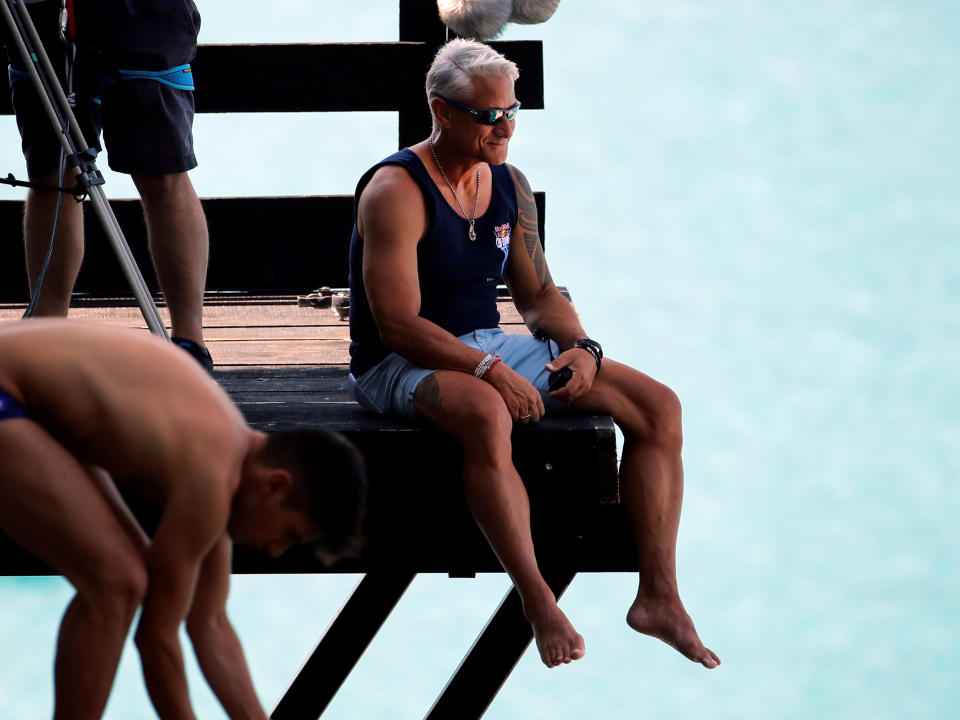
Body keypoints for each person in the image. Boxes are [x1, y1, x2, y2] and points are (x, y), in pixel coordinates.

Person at [348, 38, 719, 670]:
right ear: (441, 111)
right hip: (398, 364)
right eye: (488, 116)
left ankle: (659, 596)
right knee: (486, 415)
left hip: (486, 346)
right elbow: (398, 325)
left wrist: (579, 348)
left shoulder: (510, 186)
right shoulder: (396, 190)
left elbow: (539, 293)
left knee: (659, 409)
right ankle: (538, 598)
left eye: (511, 112)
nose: (504, 128)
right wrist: (489, 371)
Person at [0, 319, 367, 719]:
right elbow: (156, 640)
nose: (277, 552)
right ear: (275, 486)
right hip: (11, 393)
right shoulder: (212, 477)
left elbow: (210, 625)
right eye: (291, 535)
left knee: (130, 577)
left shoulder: (226, 460)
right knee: (117, 584)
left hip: (34, 406)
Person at [2, 0, 213, 371]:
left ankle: (190, 342)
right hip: (38, 12)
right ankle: (48, 334)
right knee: (52, 172)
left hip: (144, 17)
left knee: (162, 171)